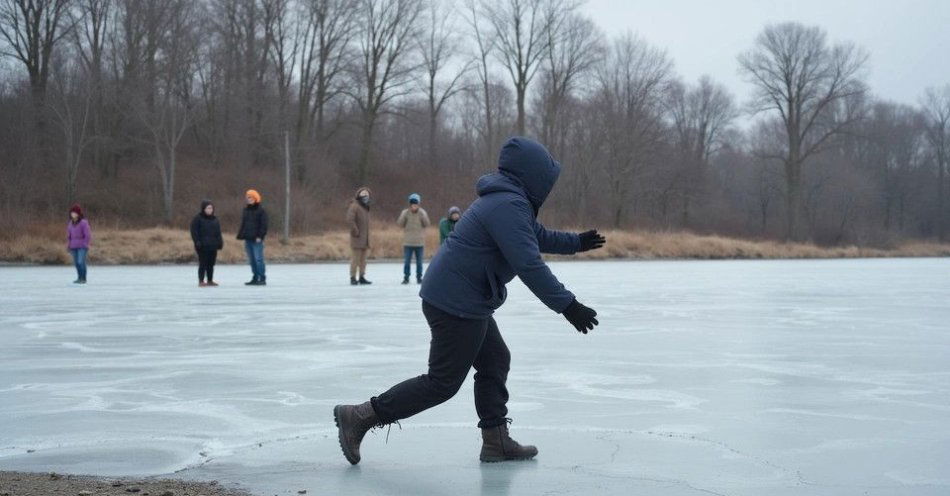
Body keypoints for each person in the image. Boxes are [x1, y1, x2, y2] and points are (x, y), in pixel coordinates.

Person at [333, 137, 606, 465]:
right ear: (533, 176)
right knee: (442, 383)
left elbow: (536, 236)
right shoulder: (508, 205)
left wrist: (576, 242)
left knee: (494, 360)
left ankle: (496, 442)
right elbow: (528, 262)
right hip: (456, 301)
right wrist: (568, 305)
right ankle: (359, 416)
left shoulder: (509, 202)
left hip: (461, 298)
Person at [237, 189, 268, 286]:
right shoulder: (246, 210)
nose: (248, 199)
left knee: (258, 259)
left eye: (250, 197)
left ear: (255, 198)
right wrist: (241, 234)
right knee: (252, 260)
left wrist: (260, 236)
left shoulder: (261, 211)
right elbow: (244, 224)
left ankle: (262, 277)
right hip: (248, 238)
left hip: (257, 239)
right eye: (247, 197)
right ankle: (255, 277)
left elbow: (264, 225)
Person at [397, 193, 430, 284]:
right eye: (412, 204)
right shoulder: (405, 213)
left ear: (418, 204)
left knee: (419, 263)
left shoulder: (422, 212)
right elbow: (400, 224)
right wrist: (404, 216)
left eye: (416, 204)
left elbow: (427, 224)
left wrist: (423, 216)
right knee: (407, 262)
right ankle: (406, 277)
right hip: (408, 242)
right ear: (410, 204)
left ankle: (419, 277)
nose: (414, 206)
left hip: (419, 242)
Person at [190, 199, 224, 287]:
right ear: (204, 209)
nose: (210, 210)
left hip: (213, 245)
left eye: (211, 208)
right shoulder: (198, 218)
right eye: (208, 208)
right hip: (202, 245)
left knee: (211, 264)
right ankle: (201, 280)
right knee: (203, 263)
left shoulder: (215, 219)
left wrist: (220, 242)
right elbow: (194, 231)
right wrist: (197, 241)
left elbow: (218, 233)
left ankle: (210, 280)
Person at [347, 187, 373, 285]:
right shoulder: (355, 206)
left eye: (367, 193)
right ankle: (353, 277)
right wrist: (355, 231)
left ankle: (362, 276)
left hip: (365, 239)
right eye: (363, 193)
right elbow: (350, 219)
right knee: (355, 260)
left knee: (363, 260)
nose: (365, 195)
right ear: (358, 195)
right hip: (357, 238)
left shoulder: (366, 207)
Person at [66, 204, 92, 284]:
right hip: (73, 246)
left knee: (81, 262)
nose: (73, 214)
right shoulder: (70, 223)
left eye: (75, 213)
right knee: (76, 263)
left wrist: (85, 244)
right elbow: (69, 236)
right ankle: (79, 278)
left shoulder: (83, 223)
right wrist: (69, 245)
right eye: (72, 213)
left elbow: (88, 235)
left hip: (82, 246)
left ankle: (83, 278)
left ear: (78, 214)